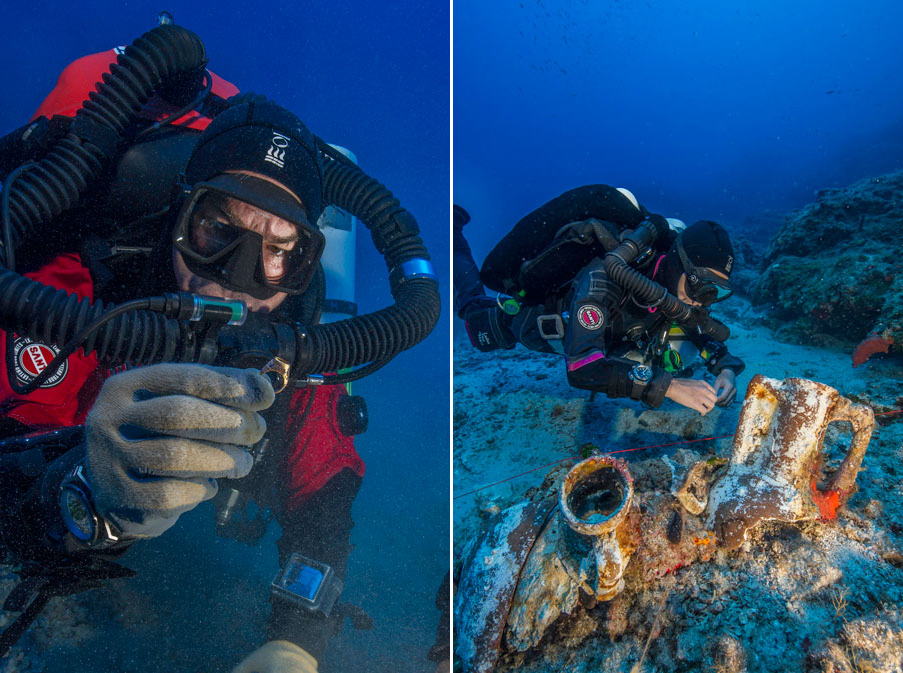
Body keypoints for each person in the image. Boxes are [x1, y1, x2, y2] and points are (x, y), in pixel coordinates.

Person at [0, 24, 438, 672]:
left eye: (279, 250)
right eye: (217, 230)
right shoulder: (83, 285)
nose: (236, 274)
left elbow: (324, 488)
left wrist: (294, 639)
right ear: (179, 214)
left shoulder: (299, 345)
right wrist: (82, 486)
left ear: (304, 265)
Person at [454, 184, 745, 415]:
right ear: (677, 266)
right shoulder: (606, 277)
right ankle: (453, 234)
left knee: (678, 339)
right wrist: (669, 386)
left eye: (716, 291)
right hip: (528, 324)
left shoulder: (677, 291)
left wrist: (726, 368)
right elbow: (582, 368)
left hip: (613, 340)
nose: (703, 301)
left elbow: (698, 331)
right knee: (473, 311)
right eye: (702, 286)